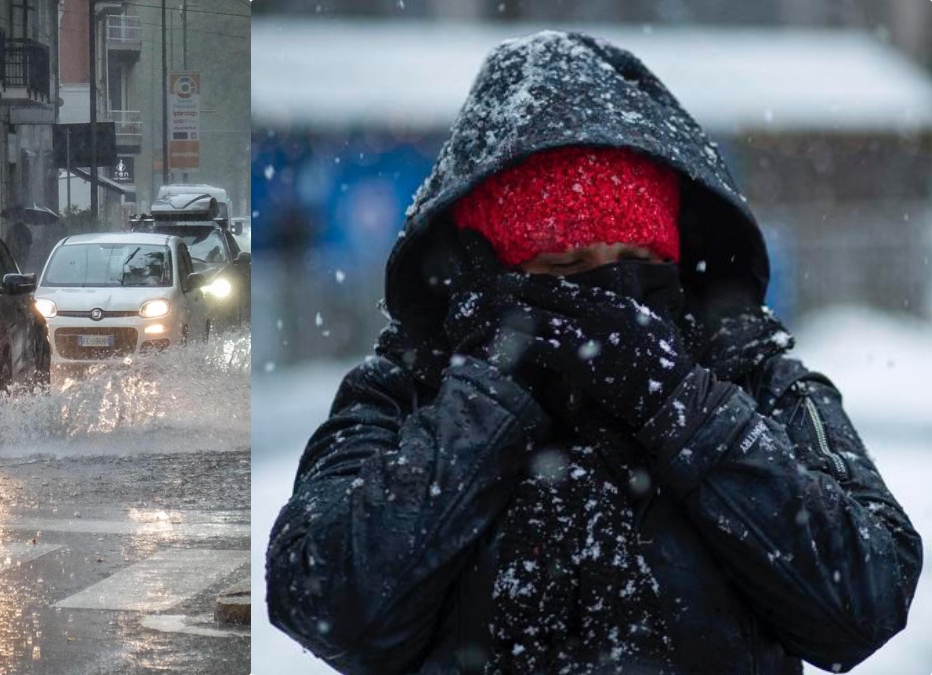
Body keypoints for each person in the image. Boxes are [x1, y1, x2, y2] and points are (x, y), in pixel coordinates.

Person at [265, 30, 922, 674]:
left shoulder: (749, 372)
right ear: (492, 268)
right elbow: (327, 601)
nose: (612, 293)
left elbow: (864, 597)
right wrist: (492, 396)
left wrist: (675, 398)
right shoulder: (408, 388)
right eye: (567, 263)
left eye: (638, 260)